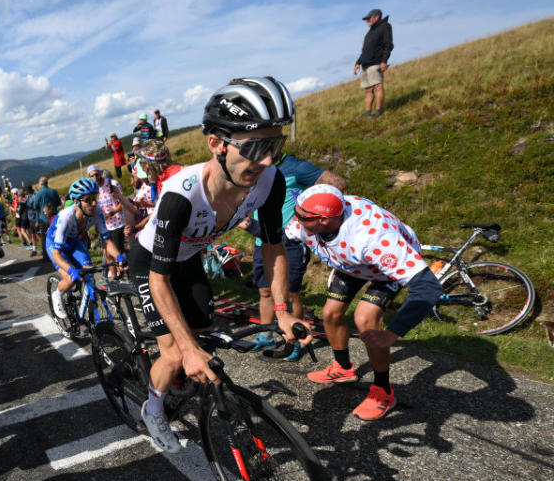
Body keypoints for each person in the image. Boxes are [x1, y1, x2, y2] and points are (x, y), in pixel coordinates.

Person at [128, 77, 311, 453]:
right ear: (216, 144)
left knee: (205, 330)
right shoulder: (181, 194)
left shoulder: (269, 180)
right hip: (152, 264)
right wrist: (186, 347)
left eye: (274, 146)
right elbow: (160, 279)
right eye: (255, 147)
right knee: (178, 351)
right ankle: (154, 409)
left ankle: (178, 376)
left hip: (189, 257)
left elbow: (274, 247)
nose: (265, 160)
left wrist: (280, 310)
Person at [288, 184, 441, 420]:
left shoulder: (374, 238)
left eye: (301, 217)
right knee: (330, 313)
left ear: (324, 220)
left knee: (364, 317)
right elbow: (281, 240)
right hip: (352, 262)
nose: (296, 220)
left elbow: (429, 287)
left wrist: (392, 333)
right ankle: (343, 368)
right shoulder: (314, 216)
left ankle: (383, 391)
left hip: (385, 268)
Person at [244, 154, 348, 359]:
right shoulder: (253, 168)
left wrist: (311, 212)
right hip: (261, 240)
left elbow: (339, 184)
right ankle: (266, 334)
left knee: (292, 294)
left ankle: (297, 338)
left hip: (290, 242)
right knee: (265, 291)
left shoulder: (293, 165)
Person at [48, 177, 126, 320]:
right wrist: (71, 270)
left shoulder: (97, 212)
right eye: (89, 200)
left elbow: (107, 241)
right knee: (71, 278)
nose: (94, 203)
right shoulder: (66, 217)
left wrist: (119, 257)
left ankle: (88, 307)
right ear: (77, 201)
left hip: (73, 240)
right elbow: (56, 255)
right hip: (54, 244)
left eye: (95, 198)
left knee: (89, 272)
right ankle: (57, 294)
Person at [354, 8, 393, 118]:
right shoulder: (370, 32)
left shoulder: (385, 26)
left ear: (377, 17)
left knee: (378, 87)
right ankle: (367, 114)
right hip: (365, 65)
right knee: (368, 90)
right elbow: (365, 50)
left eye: (369, 18)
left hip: (376, 62)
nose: (367, 21)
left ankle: (379, 112)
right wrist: (358, 63)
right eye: (366, 19)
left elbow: (388, 45)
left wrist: (384, 61)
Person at [33, 176, 61, 260]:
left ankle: (46, 256)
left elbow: (35, 206)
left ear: (40, 184)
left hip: (43, 217)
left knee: (45, 237)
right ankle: (58, 255)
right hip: (55, 216)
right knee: (57, 236)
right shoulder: (53, 191)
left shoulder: (39, 193)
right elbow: (59, 203)